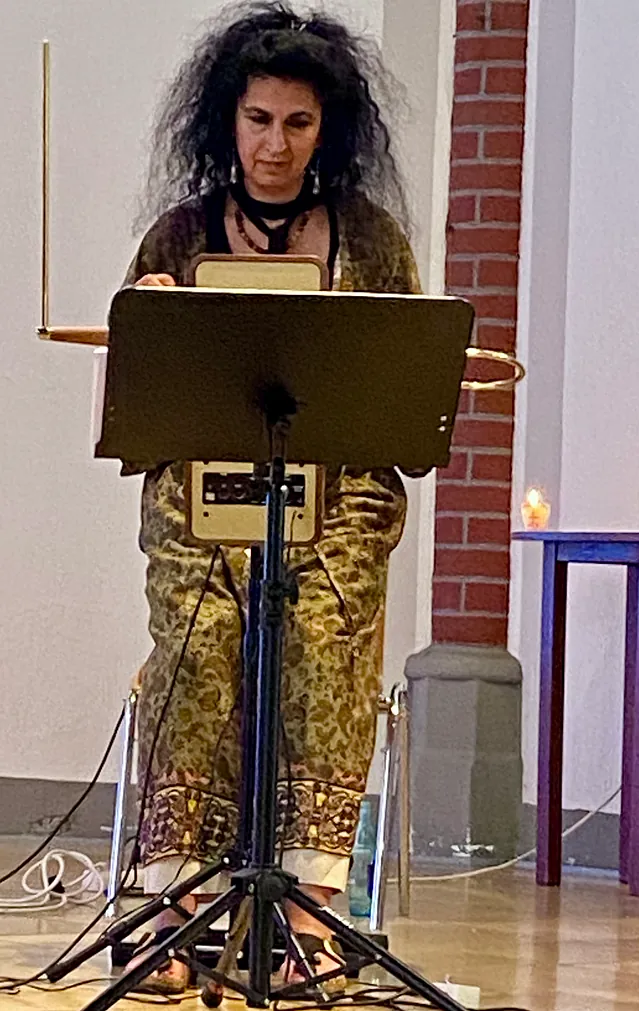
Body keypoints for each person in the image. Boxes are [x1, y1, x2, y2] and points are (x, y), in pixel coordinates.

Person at [123, 0, 424, 995]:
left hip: (337, 493)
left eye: (297, 123)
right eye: (258, 120)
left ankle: (308, 911)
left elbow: (398, 400)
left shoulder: (370, 239)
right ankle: (171, 907)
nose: (275, 144)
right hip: (204, 488)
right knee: (203, 638)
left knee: (323, 634)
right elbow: (138, 408)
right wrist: (153, 325)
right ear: (228, 118)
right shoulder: (178, 235)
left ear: (327, 129)